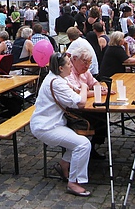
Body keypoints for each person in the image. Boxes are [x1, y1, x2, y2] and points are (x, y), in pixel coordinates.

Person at [30, 52, 91, 197]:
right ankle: (73, 183)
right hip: (46, 127)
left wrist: (89, 90)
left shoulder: (56, 78)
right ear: (61, 68)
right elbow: (80, 103)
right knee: (83, 144)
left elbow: (74, 92)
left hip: (53, 123)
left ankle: (65, 163)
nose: (71, 67)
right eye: (69, 65)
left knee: (86, 136)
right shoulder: (56, 82)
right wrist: (83, 87)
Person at [66, 46, 108, 160]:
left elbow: (94, 82)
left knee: (103, 114)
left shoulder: (85, 71)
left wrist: (100, 88)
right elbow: (78, 93)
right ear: (74, 59)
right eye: (85, 62)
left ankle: (93, 146)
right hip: (73, 111)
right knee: (99, 117)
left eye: (89, 63)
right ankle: (87, 148)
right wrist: (96, 92)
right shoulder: (68, 71)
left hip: (86, 105)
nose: (87, 66)